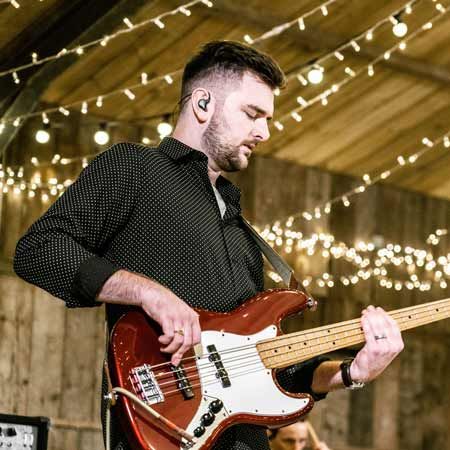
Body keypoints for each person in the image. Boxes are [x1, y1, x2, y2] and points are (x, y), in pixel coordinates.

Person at [13, 41, 404, 450]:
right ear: (203, 104)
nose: (264, 132)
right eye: (252, 114)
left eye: (267, 119)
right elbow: (39, 248)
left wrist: (352, 372)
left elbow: (263, 370)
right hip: (163, 430)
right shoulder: (134, 168)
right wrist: (148, 292)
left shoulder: (241, 232)